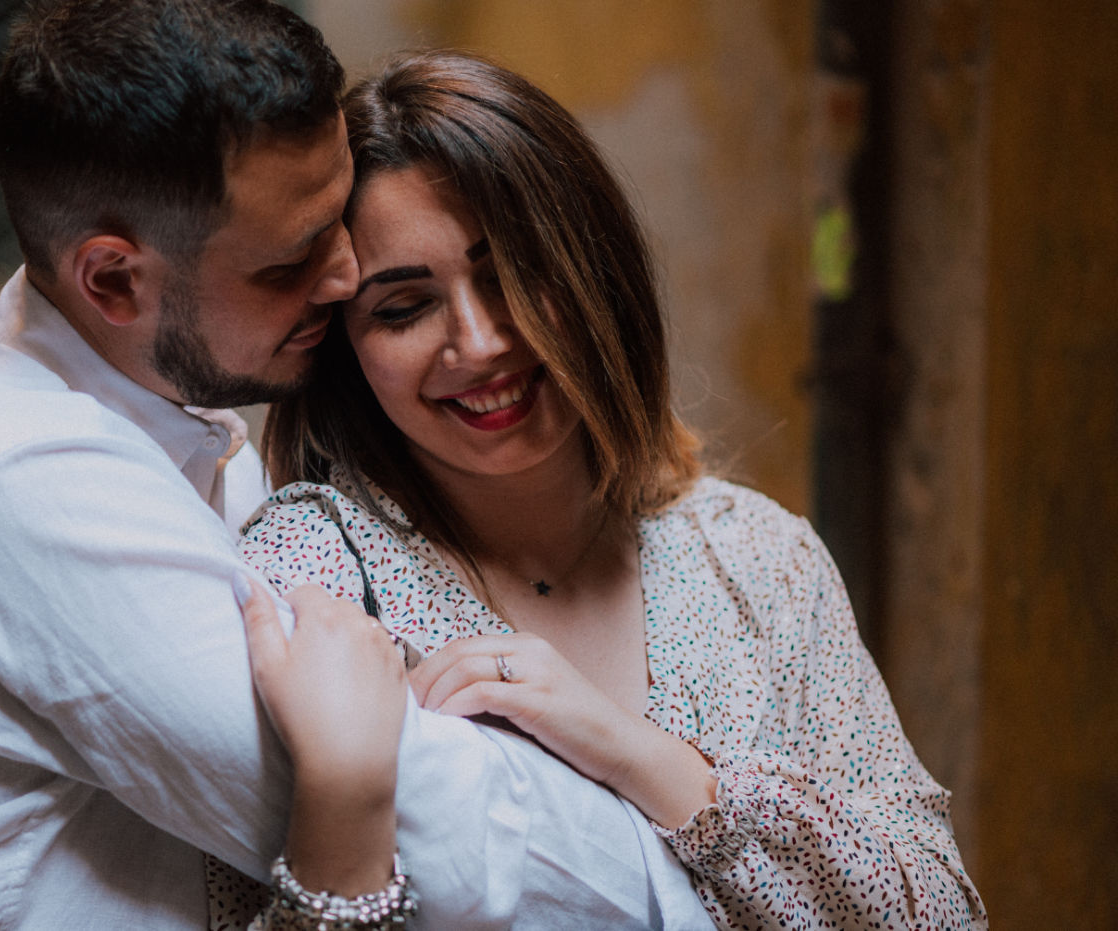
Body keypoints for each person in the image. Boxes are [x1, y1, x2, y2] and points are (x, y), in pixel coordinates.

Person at [0, 2, 715, 929]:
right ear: (114, 279)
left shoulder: (197, 445)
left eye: (337, 218)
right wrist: (715, 870)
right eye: (291, 261)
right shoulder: (19, 485)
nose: (347, 274)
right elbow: (435, 819)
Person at [239, 49, 989, 930]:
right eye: (403, 309)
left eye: (515, 271)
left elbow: (941, 911)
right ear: (345, 348)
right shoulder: (313, 575)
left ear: (594, 265)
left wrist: (645, 760)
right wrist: (343, 803)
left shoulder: (757, 558)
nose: (479, 343)